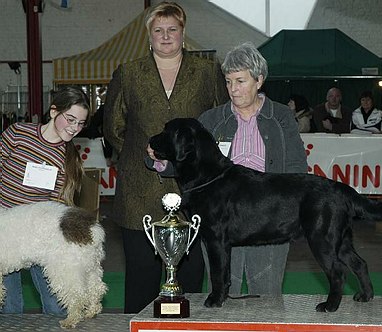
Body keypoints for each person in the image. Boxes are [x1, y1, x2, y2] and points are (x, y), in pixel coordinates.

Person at [147, 42, 307, 295]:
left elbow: (297, 166)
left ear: (259, 80)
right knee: (221, 294)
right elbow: (189, 164)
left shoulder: (281, 116)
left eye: (240, 81)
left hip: (267, 217)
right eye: (229, 82)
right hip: (220, 217)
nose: (233, 89)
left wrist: (287, 209)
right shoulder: (211, 119)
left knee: (265, 295)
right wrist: (161, 161)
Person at [102, 1, 228, 314]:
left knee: (191, 271)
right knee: (141, 275)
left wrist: (191, 160)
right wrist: (143, 151)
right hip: (139, 189)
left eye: (172, 29)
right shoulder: (128, 73)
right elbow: (113, 125)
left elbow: (221, 123)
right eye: (158, 30)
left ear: (183, 33)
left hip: (195, 190)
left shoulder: (208, 72)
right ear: (149, 36)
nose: (166, 35)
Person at [0, 86, 90, 315]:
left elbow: (58, 205)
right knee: (10, 307)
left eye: (81, 123)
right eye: (70, 119)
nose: (74, 128)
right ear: (53, 112)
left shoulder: (68, 159)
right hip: (5, 233)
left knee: (56, 305)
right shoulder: (18, 133)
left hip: (40, 234)